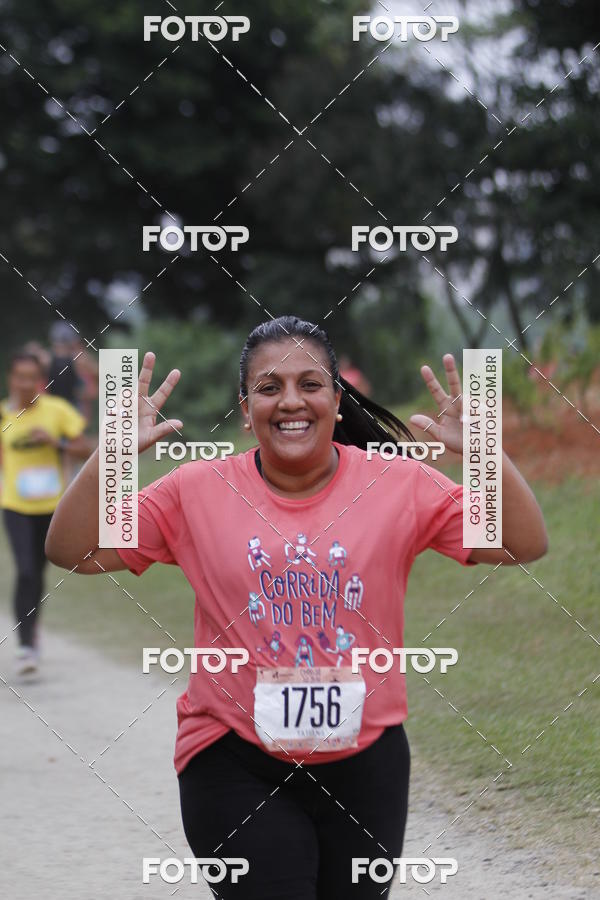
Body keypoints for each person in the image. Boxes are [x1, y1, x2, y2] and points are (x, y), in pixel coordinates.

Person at [45, 316, 548, 898]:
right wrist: (111, 456)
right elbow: (73, 550)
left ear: (336, 400)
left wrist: (484, 453)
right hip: (232, 758)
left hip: (367, 761)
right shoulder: (195, 490)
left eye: (310, 384)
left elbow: (522, 542)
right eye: (269, 387)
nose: (290, 401)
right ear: (246, 408)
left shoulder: (399, 484)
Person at [1, 351, 92, 675]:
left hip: (52, 507)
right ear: (11, 379)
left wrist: (57, 443)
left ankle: (31, 630)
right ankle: (26, 645)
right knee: (25, 571)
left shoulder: (57, 410)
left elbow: (86, 448)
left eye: (31, 378)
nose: (25, 384)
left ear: (40, 381)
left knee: (37, 574)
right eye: (20, 377)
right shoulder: (3, 414)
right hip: (15, 505)